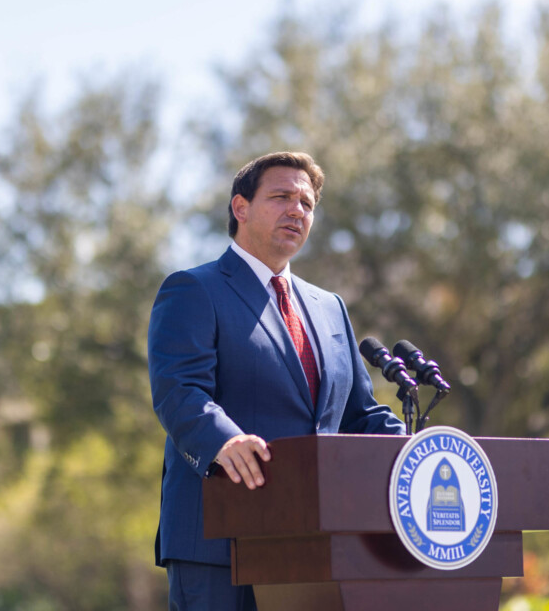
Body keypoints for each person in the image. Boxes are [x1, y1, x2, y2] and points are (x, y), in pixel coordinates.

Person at [148, 151, 405, 611]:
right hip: (220, 538)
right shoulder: (194, 289)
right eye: (282, 197)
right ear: (240, 208)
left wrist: (419, 448)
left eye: (307, 204)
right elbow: (179, 391)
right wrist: (223, 442)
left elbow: (360, 414)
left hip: (313, 541)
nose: (297, 211)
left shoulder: (329, 307)